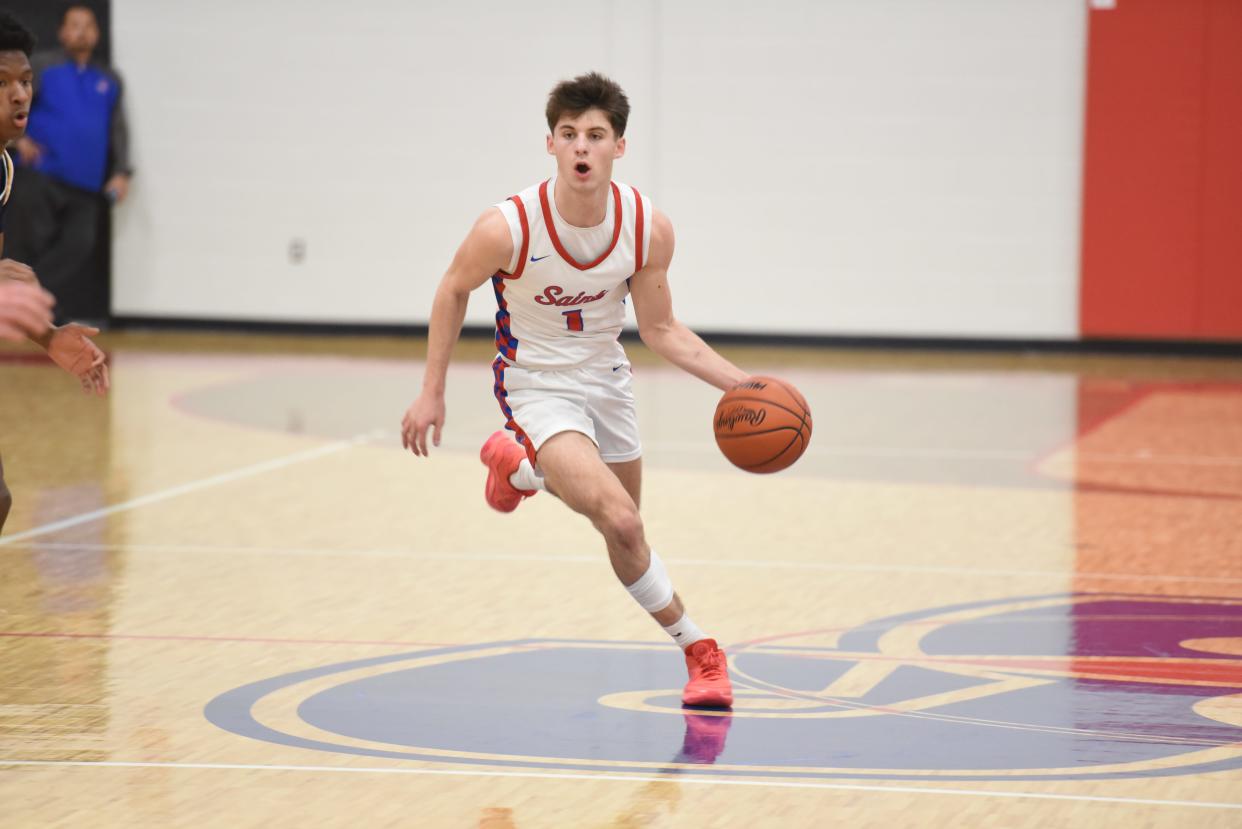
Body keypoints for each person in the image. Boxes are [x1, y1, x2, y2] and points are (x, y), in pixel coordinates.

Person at [401, 72, 749, 707]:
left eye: (595, 135)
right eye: (569, 135)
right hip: (535, 384)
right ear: (550, 144)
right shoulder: (506, 227)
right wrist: (432, 391)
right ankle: (701, 651)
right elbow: (453, 288)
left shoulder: (647, 228)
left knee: (624, 527)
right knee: (617, 519)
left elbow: (663, 330)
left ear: (619, 146)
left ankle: (519, 472)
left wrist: (744, 384)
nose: (581, 147)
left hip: (607, 379)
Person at [0, 10, 109, 534]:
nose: (19, 95)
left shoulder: (3, 167)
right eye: (1, 84)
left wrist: (48, 337)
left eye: (24, 82)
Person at [7, 3, 133, 323]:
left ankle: (30, 304)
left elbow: (118, 128)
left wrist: (122, 172)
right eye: (74, 25)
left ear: (97, 33)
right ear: (62, 31)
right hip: (42, 175)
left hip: (87, 183)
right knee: (27, 245)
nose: (81, 31)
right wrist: (20, 141)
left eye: (88, 25)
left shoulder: (109, 79)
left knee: (80, 245)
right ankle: (20, 310)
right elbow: (12, 102)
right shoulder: (42, 67)